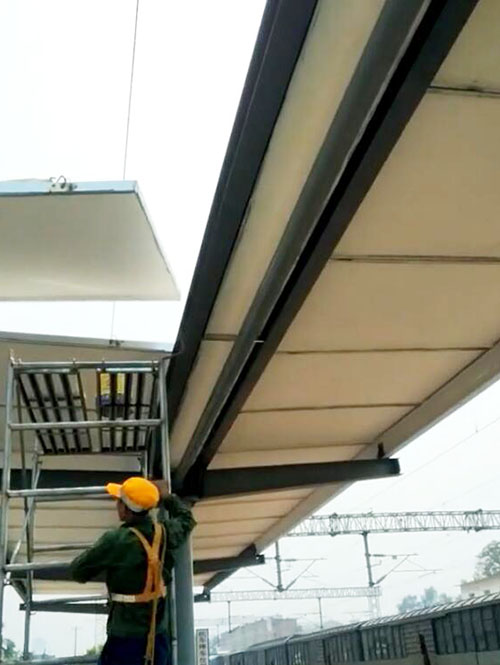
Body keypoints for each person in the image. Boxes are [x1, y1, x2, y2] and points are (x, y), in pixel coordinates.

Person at [70, 476, 196, 665]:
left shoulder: (115, 540)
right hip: (157, 637)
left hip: (124, 640)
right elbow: (186, 519)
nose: (117, 504)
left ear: (126, 510)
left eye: (119, 501)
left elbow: (78, 571)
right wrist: (168, 497)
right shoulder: (165, 533)